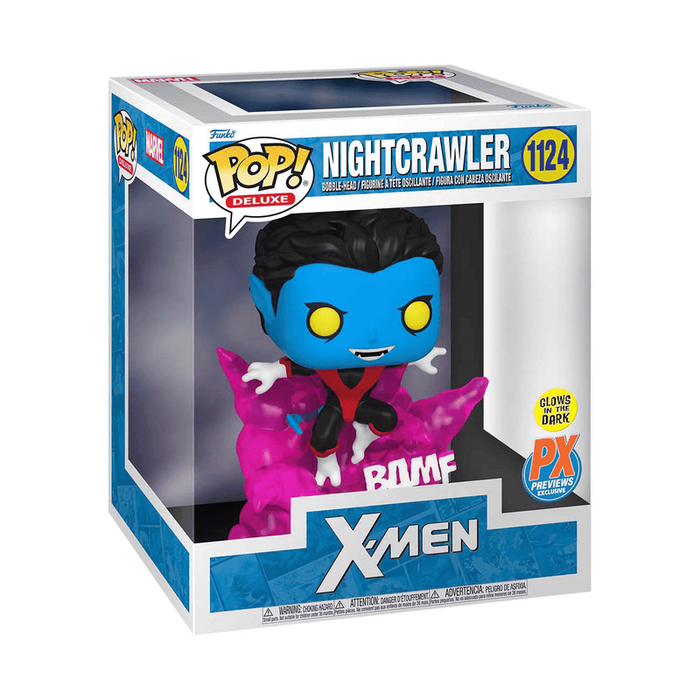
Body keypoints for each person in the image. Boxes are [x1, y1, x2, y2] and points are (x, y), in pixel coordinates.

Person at [243, 209, 446, 487]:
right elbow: (296, 368)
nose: (373, 337)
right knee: (323, 437)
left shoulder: (383, 357)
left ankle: (364, 436)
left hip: (363, 404)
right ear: (266, 304)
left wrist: (420, 356)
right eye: (325, 320)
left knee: (387, 418)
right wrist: (272, 371)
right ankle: (326, 465)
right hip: (335, 406)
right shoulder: (325, 365)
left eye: (415, 314)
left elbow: (397, 360)